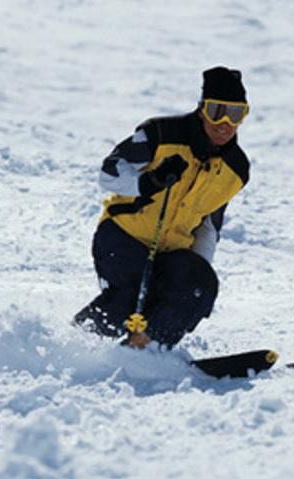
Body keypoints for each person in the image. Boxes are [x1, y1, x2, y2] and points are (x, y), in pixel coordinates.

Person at [74, 66, 250, 349]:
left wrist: (194, 280)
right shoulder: (160, 134)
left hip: (171, 250)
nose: (225, 123)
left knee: (198, 287)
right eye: (217, 111)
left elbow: (209, 225)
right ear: (202, 108)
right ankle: (74, 345)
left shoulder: (236, 170)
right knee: (129, 299)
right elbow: (108, 173)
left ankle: (147, 347)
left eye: (237, 114)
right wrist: (149, 182)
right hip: (123, 236)